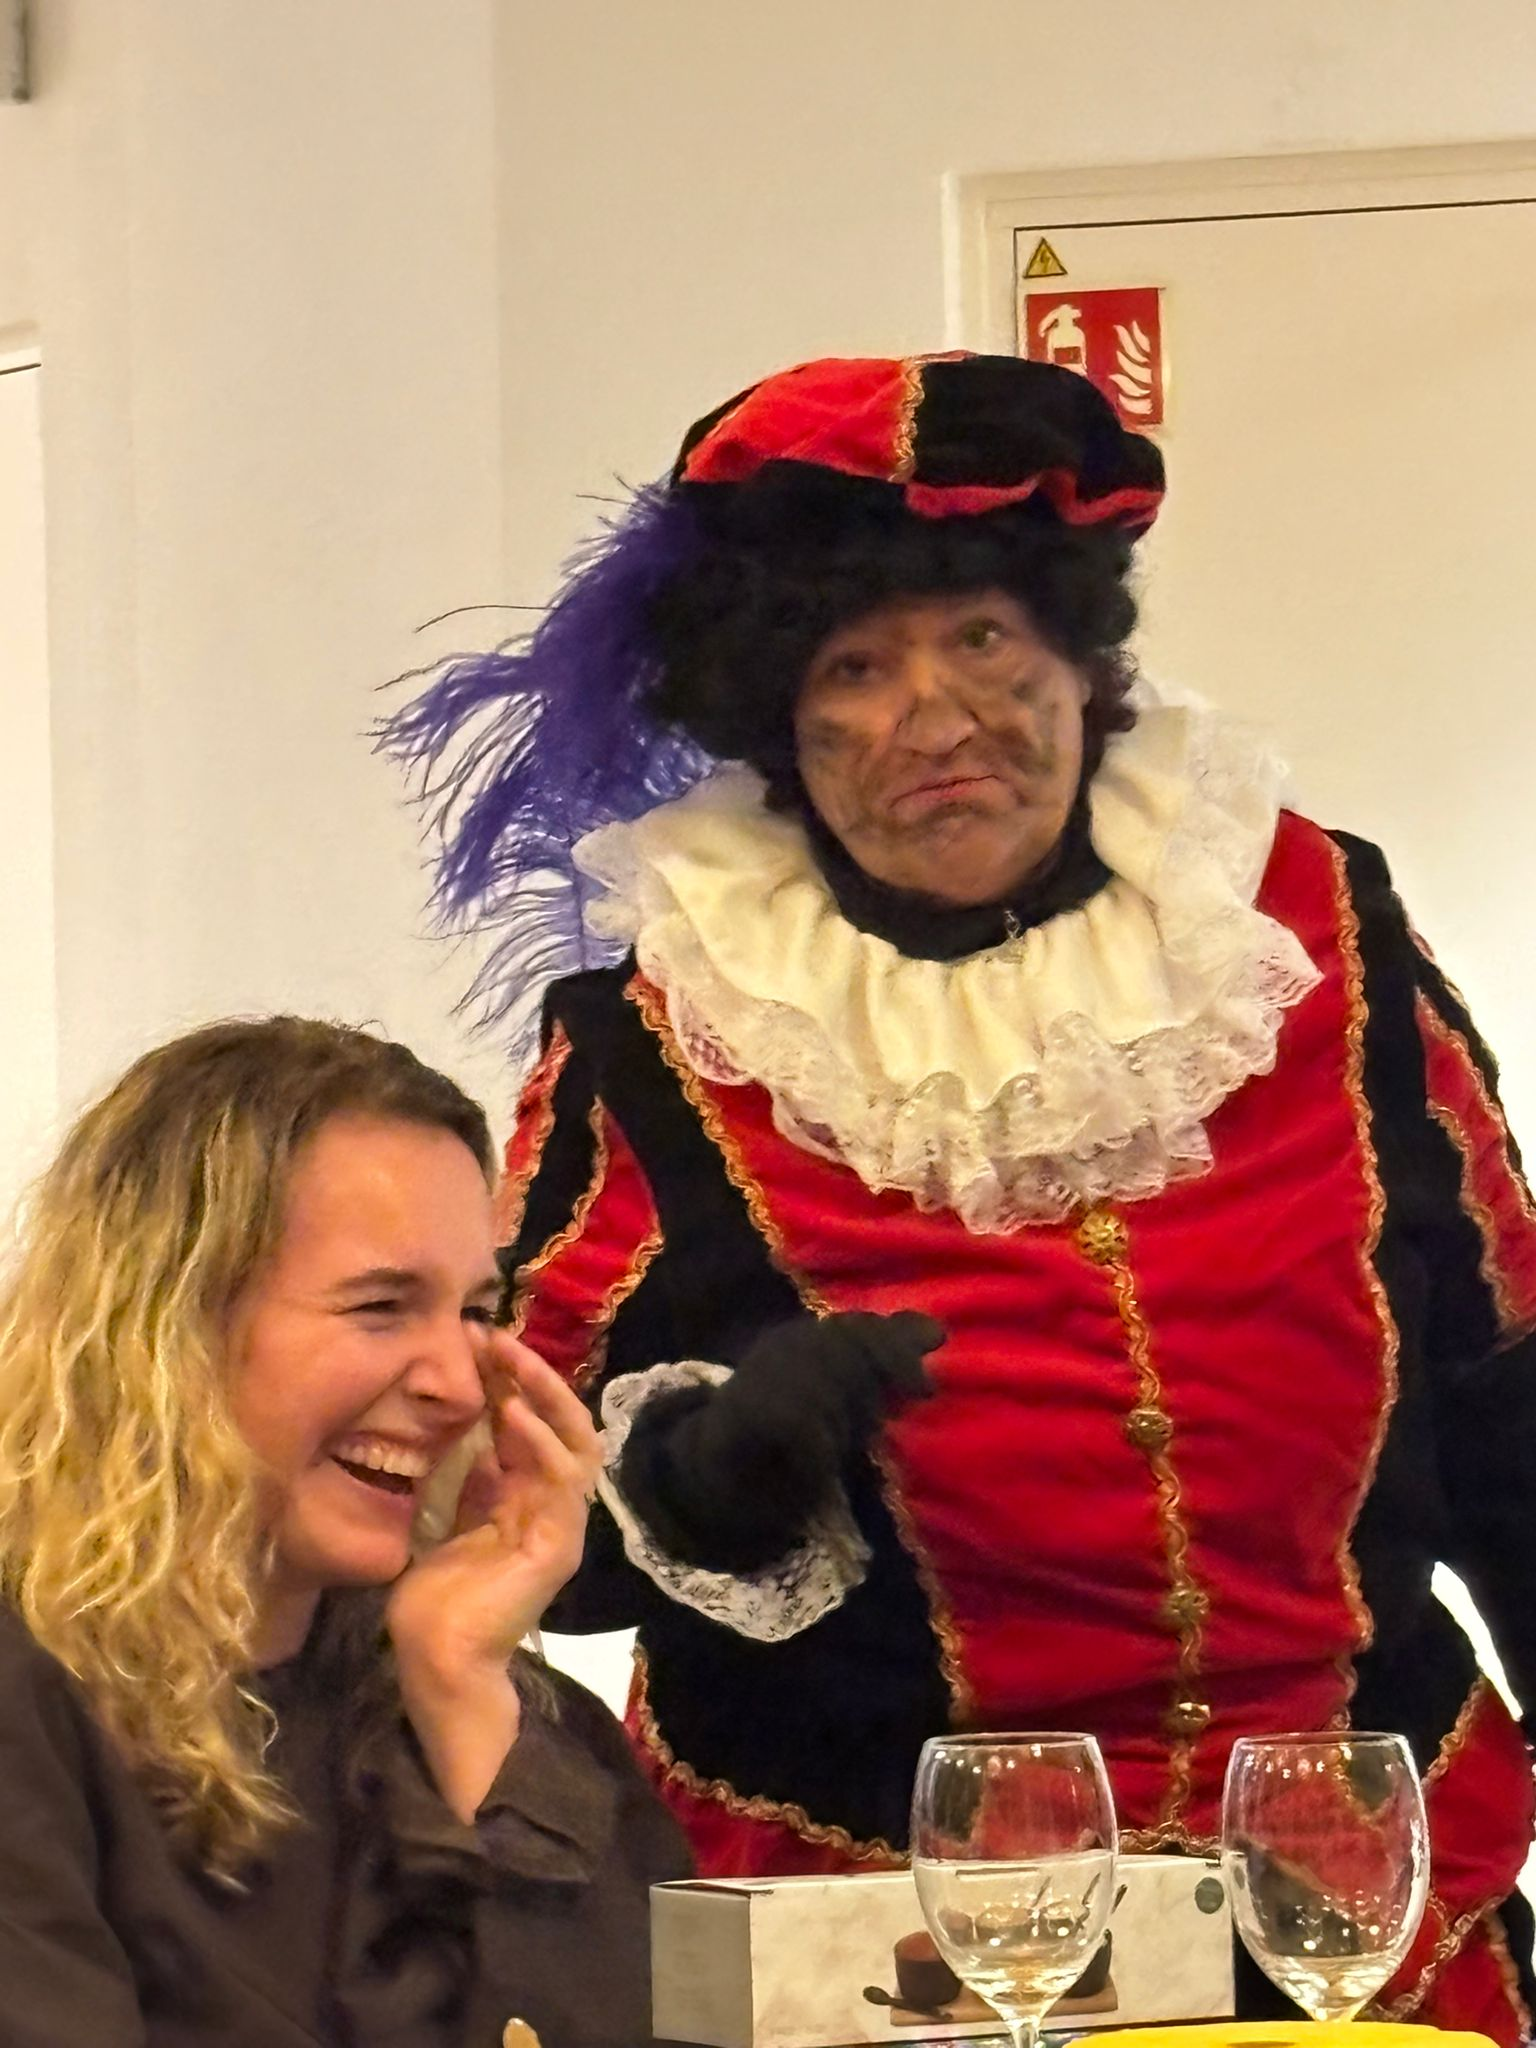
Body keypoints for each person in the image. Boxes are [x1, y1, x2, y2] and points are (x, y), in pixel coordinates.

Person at [386, 352, 1536, 2041]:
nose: (938, 716)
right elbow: (521, 1525)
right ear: (784, 724)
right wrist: (712, 1476)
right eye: (858, 666)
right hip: (883, 1936)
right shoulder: (667, 1032)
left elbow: (1508, 1393)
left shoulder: (1306, 935)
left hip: (1352, 1908)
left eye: (987, 639)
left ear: (1079, 661)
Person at [0, 1017, 688, 2048]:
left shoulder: (483, 1700)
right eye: (381, 1306)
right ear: (169, 1327)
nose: (460, 1384)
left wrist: (461, 1688)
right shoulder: (32, 1704)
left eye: (474, 1311)